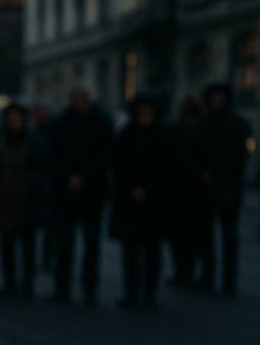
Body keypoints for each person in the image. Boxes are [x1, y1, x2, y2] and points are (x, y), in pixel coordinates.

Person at [51, 87, 114, 305]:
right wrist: (68, 176)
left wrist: (84, 177)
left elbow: (104, 156)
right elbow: (56, 155)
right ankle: (63, 285)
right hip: (68, 191)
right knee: (65, 243)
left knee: (90, 243)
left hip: (91, 191)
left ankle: (88, 286)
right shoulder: (63, 122)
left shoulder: (100, 122)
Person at [111, 96, 169, 310]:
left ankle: (149, 295)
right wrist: (131, 189)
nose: (145, 118)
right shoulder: (127, 136)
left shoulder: (162, 137)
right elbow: (119, 166)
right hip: (129, 203)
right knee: (130, 252)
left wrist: (148, 190)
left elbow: (167, 170)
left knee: (152, 252)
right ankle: (131, 293)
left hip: (154, 204)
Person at [203, 83, 252, 296]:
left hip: (228, 186)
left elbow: (242, 155)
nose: (218, 101)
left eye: (220, 97)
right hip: (210, 186)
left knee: (228, 236)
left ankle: (228, 280)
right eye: (215, 97)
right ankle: (209, 276)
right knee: (207, 235)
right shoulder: (203, 123)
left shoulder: (238, 124)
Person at [0, 104, 36, 297]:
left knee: (27, 246)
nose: (14, 121)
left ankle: (26, 283)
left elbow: (37, 170)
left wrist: (27, 189)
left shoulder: (32, 143)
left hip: (26, 200)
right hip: (5, 200)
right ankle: (10, 281)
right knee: (7, 244)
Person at [166, 96, 212, 287]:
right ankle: (200, 275)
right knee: (199, 238)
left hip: (181, 190)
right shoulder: (204, 129)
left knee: (180, 237)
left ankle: (183, 272)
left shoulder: (177, 129)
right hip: (196, 191)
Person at [31, 103, 55, 273]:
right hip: (36, 183)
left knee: (49, 227)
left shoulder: (48, 133)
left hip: (47, 184)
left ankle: (47, 257)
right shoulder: (33, 133)